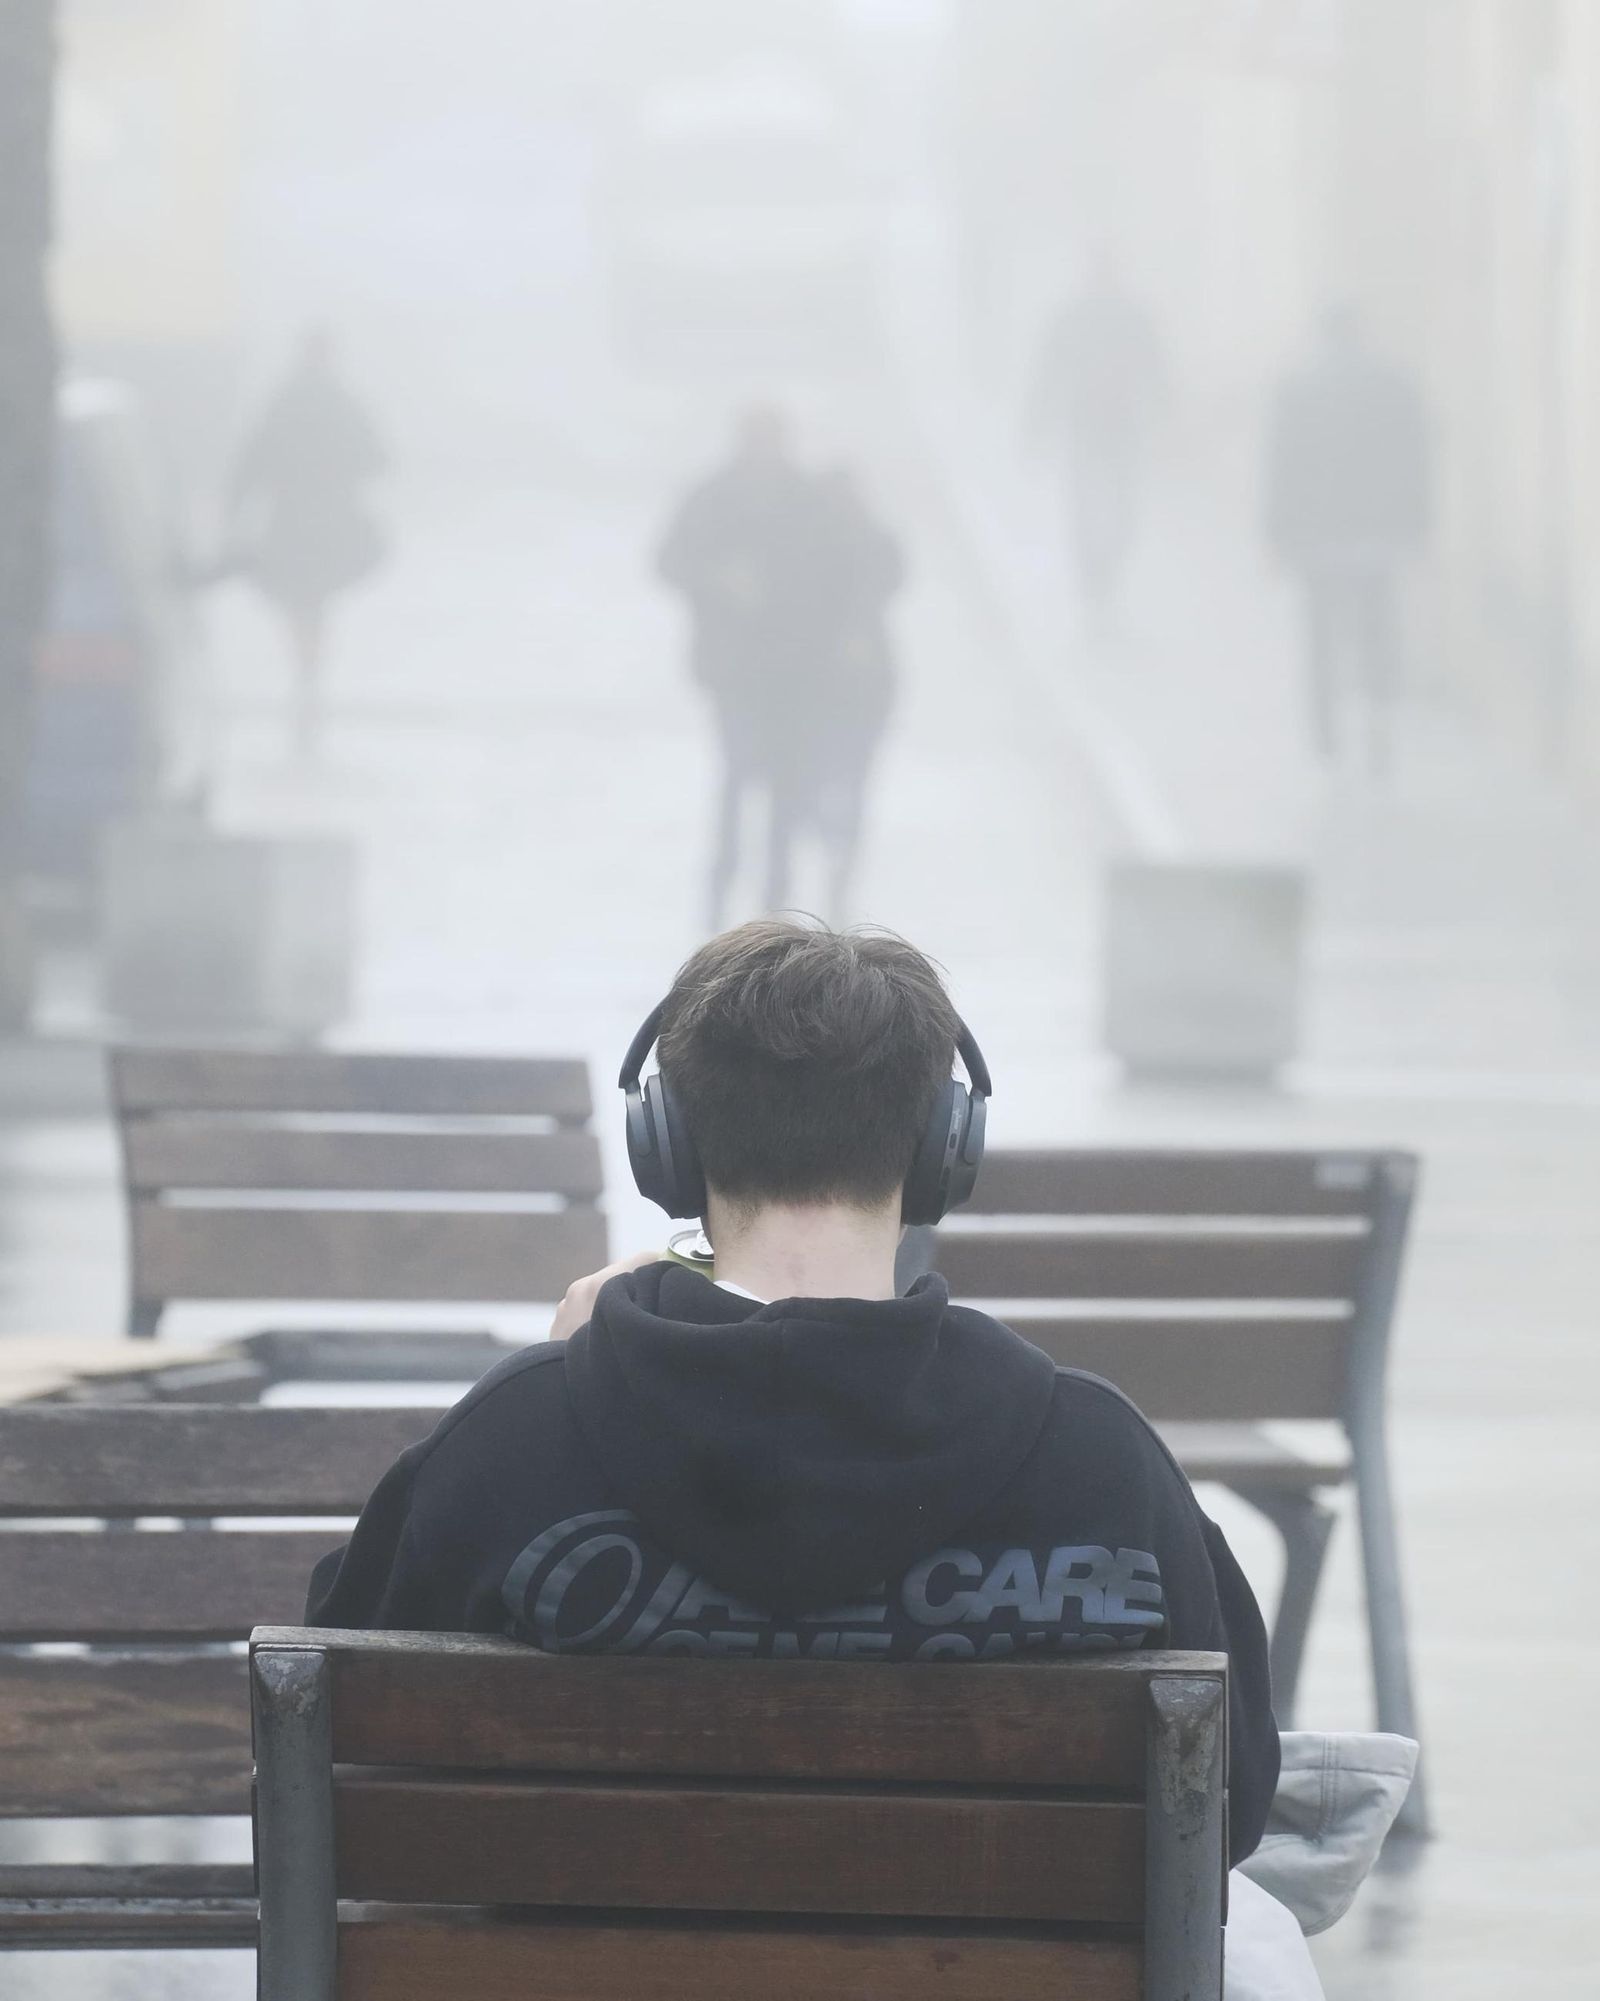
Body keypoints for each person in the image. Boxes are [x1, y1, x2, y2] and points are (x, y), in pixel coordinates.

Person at [307, 918, 1280, 1871]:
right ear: (946, 1146)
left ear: (668, 1146)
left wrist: (557, 1390)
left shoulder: (515, 1443)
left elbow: (335, 1760)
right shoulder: (1097, 1459)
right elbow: (1224, 1814)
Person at [656, 407, 828, 927]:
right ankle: (721, 887)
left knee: (786, 780)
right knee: (735, 775)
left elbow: (839, 568)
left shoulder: (808, 499)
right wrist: (717, 579)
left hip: (795, 668)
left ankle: (777, 897)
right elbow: (669, 559)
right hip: (732, 668)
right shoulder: (713, 496)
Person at [1265, 306, 1431, 770]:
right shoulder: (1393, 387)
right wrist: (1419, 525)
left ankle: (1326, 733)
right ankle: (1379, 712)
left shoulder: (1297, 390)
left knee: (1319, 630)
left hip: (1318, 536)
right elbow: (1415, 458)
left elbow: (1282, 465)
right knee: (1377, 621)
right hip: (1377, 532)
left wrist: (1276, 533)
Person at [226, 326, 389, 756]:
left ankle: (306, 676)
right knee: (311, 600)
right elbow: (378, 458)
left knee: (302, 598)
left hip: (295, 518)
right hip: (327, 518)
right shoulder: (340, 402)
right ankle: (309, 677)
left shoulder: (288, 399)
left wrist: (237, 507)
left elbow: (252, 457)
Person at [1025, 247, 1168, 629]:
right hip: (1101, 424)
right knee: (1101, 503)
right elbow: (1049, 369)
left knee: (1104, 504)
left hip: (1103, 423)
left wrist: (1036, 424)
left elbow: (1152, 369)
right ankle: (1098, 574)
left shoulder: (1102, 315)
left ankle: (1100, 573)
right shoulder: (1101, 315)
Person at [807, 464, 905, 922]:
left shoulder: (867, 546)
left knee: (846, 785)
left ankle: (839, 868)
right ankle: (834, 858)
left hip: (857, 694)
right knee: (831, 784)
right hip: (828, 693)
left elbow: (895, 572)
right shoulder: (810, 549)